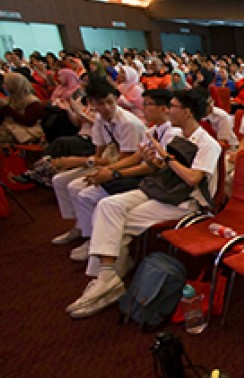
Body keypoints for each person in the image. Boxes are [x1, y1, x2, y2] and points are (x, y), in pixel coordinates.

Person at [65, 89, 221, 318]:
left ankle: (107, 276)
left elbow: (192, 179)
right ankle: (108, 275)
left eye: (174, 106)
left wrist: (166, 157)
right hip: (163, 189)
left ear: (187, 112)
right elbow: (164, 170)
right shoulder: (179, 134)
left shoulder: (207, 143)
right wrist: (153, 160)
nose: (169, 110)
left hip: (184, 201)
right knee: (108, 206)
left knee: (117, 221)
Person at [68, 89, 181, 264]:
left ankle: (105, 254)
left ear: (164, 108)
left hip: (156, 182)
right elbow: (137, 157)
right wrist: (109, 169)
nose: (143, 110)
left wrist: (114, 172)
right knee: (85, 194)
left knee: (102, 202)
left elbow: (153, 168)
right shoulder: (152, 130)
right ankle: (90, 237)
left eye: (148, 105)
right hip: (146, 176)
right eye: (144, 105)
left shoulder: (174, 133)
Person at [50, 77, 146, 246]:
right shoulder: (101, 120)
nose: (107, 108)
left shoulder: (128, 122)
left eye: (110, 102)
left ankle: (90, 236)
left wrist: (79, 162)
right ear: (92, 103)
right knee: (59, 180)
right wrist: (86, 163)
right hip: (111, 161)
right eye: (101, 103)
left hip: (125, 167)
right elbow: (99, 156)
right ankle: (80, 225)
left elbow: (127, 160)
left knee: (77, 187)